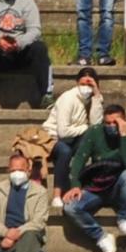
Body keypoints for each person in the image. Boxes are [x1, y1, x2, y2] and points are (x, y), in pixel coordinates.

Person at [64, 103, 126, 252]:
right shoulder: (94, 132)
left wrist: (124, 135)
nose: (111, 126)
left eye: (116, 122)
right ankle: (102, 237)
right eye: (108, 123)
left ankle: (125, 219)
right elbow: (79, 158)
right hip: (97, 186)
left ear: (125, 121)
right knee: (70, 207)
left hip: (120, 187)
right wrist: (75, 185)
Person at [43, 66, 104, 208]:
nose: (86, 87)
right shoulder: (68, 98)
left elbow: (96, 124)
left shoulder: (91, 100)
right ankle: (57, 195)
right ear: (77, 83)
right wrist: (85, 128)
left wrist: (96, 97)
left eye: (90, 84)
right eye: (83, 84)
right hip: (53, 138)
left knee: (92, 138)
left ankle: (84, 185)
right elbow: (63, 132)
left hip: (73, 139)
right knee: (65, 151)